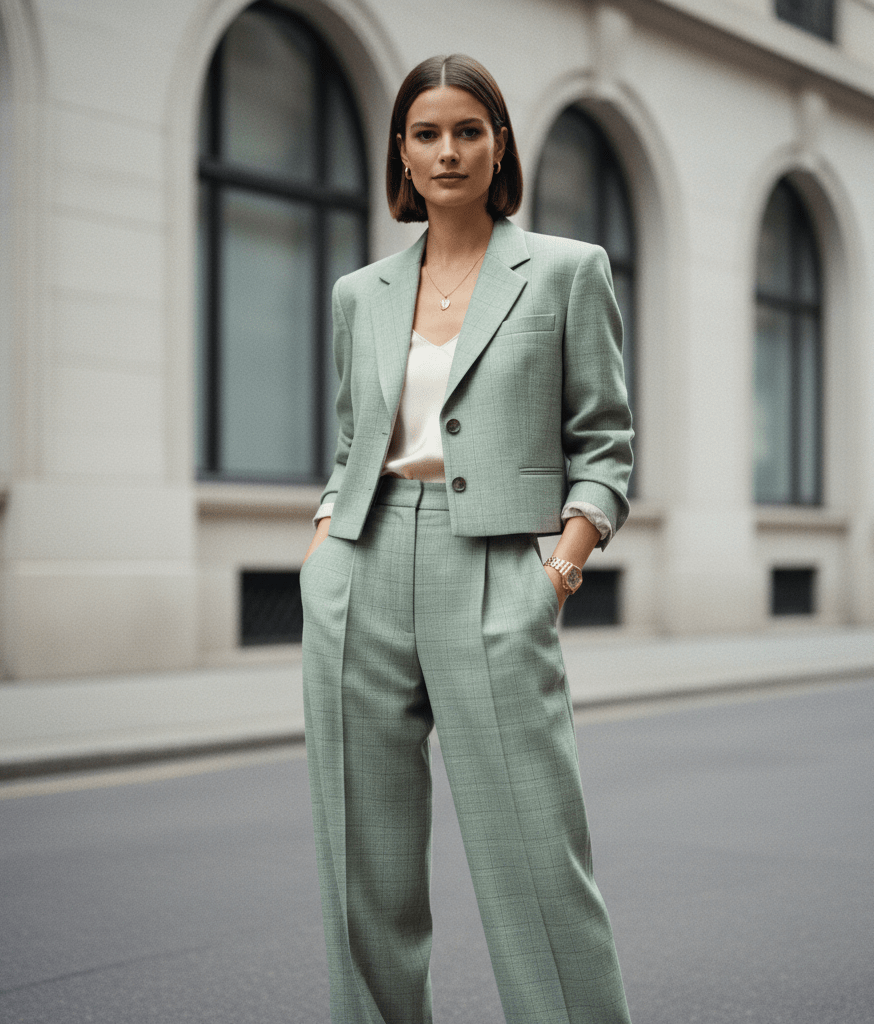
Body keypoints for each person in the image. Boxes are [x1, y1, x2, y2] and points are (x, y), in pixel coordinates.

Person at [299, 53, 633, 1024]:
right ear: (400, 154)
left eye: (468, 131)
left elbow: (604, 446)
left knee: (535, 858)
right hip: (358, 565)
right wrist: (324, 542)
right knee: (364, 867)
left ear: (499, 147)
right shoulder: (357, 293)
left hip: (495, 564)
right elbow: (354, 440)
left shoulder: (567, 273)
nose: (448, 151)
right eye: (426, 133)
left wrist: (561, 565)